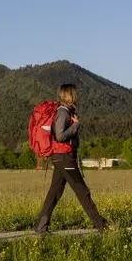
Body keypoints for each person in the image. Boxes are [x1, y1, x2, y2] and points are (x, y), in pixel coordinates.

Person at [35, 84, 108, 233]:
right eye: (74, 94)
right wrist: (76, 125)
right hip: (65, 158)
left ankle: (41, 227)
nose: (76, 96)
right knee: (82, 191)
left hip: (61, 157)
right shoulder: (63, 112)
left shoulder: (65, 111)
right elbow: (61, 136)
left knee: (55, 192)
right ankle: (101, 225)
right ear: (67, 96)